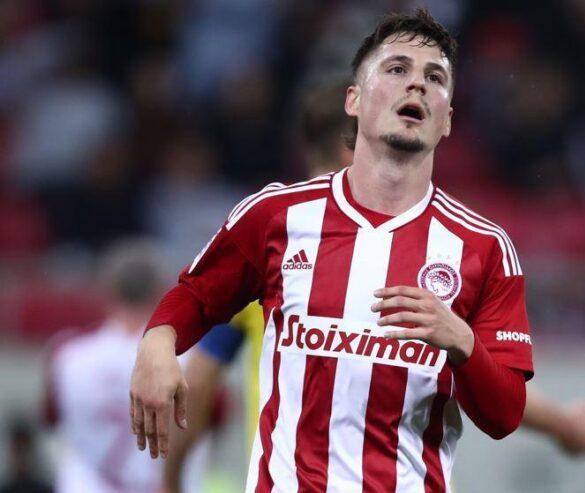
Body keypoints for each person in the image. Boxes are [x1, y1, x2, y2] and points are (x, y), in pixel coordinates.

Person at [131, 9, 535, 491]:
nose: (417, 84)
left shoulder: (484, 248)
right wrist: (156, 343)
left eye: (435, 77)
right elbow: (196, 296)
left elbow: (504, 415)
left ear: (447, 120)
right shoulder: (276, 215)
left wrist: (461, 342)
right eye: (397, 69)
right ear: (354, 99)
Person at [44, 240, 214, 493]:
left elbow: (51, 419)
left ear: (108, 289)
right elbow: (216, 414)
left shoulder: (67, 354)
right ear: (161, 290)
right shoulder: (192, 355)